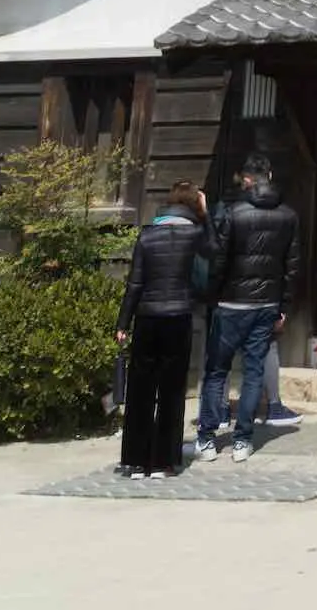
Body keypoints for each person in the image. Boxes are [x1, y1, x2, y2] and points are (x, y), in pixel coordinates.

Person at [195, 160, 302, 463]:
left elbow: (218, 261)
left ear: (246, 181)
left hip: (230, 302)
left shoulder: (234, 214)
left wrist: (213, 296)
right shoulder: (288, 216)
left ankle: (206, 438)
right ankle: (242, 440)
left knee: (217, 371)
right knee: (253, 372)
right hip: (266, 302)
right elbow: (292, 267)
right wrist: (284, 306)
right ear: (269, 176)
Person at [115, 180, 211, 479]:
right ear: (194, 205)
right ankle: (163, 461)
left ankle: (134, 460)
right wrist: (206, 216)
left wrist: (122, 323)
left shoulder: (147, 235)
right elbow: (214, 259)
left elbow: (135, 283)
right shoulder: (196, 235)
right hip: (178, 315)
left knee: (141, 389)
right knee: (171, 390)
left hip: (146, 316)